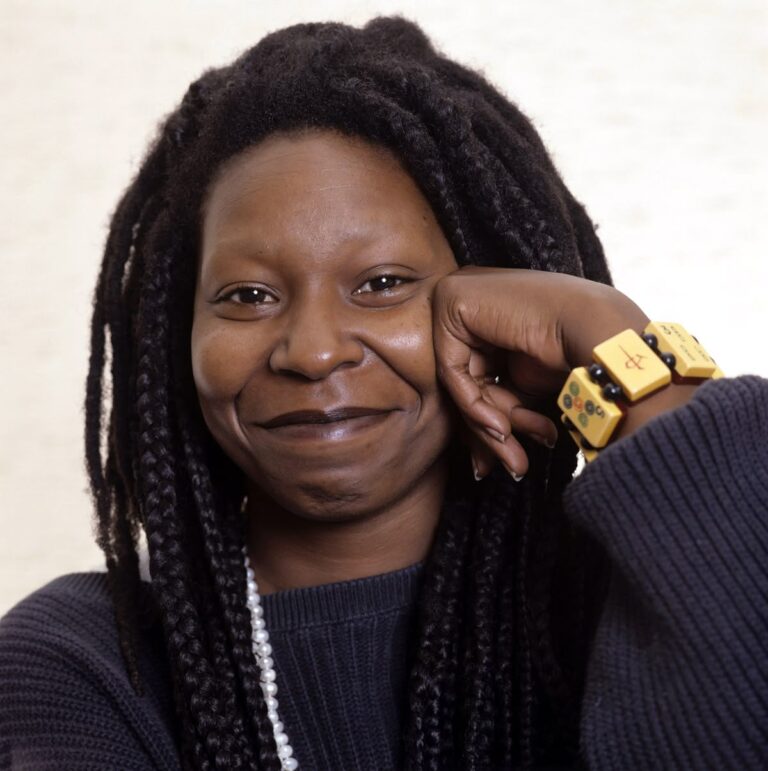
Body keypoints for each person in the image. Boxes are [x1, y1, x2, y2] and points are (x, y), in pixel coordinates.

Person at [0, 15, 766, 771]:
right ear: (177, 339)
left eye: (383, 283)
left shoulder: (642, 591)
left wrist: (623, 355)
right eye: (247, 296)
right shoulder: (80, 665)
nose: (313, 349)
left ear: (497, 309)